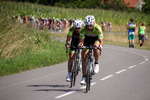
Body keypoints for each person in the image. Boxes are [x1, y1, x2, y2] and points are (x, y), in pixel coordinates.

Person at [78, 15, 103, 85]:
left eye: (90, 25)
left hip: (96, 39)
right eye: (87, 25)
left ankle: (96, 63)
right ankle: (83, 76)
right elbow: (81, 40)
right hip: (87, 39)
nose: (89, 27)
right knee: (84, 56)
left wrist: (100, 46)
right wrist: (80, 44)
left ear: (94, 23)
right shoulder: (83, 29)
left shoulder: (98, 28)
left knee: (95, 47)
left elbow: (101, 41)